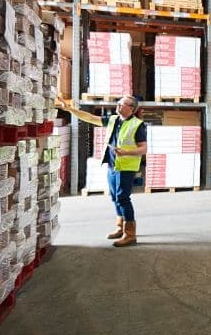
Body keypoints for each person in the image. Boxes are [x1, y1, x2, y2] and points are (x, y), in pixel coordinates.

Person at [59, 95, 148, 247]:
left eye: (122, 104)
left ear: (131, 109)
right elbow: (90, 118)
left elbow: (143, 148)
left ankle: (130, 234)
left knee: (123, 198)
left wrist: (126, 152)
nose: (118, 105)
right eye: (118, 103)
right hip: (112, 165)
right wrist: (71, 110)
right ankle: (120, 228)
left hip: (126, 167)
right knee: (115, 197)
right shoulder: (113, 120)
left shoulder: (137, 125)